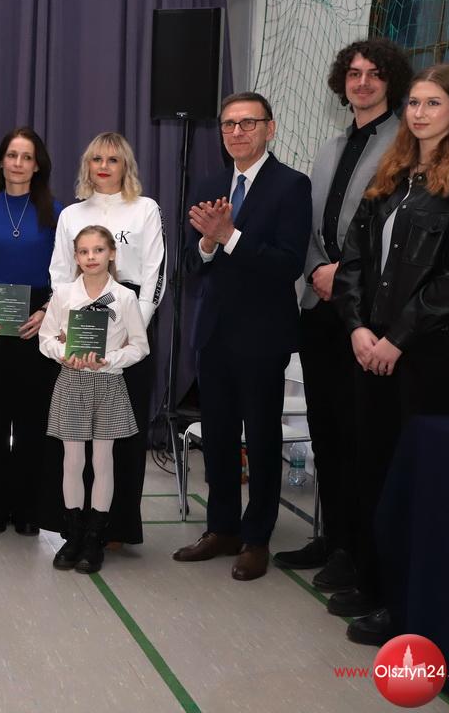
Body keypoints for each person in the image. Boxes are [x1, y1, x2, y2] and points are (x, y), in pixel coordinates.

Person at [331, 63, 449, 645]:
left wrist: (396, 339)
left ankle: (404, 608)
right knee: (372, 468)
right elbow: (353, 259)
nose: (419, 113)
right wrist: (357, 328)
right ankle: (372, 583)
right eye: (415, 103)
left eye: (433, 103)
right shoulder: (393, 174)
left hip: (425, 355)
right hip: (371, 346)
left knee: (413, 479)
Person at [272, 39, 412, 592]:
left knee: (361, 436)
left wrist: (343, 276)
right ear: (342, 81)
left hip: (367, 312)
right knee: (327, 431)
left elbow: (392, 234)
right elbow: (312, 225)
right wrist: (316, 271)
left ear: (390, 82)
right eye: (354, 73)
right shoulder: (330, 147)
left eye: (374, 74)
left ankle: (358, 551)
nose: (363, 82)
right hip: (319, 305)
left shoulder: (405, 144)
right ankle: (332, 538)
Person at [173, 91, 311, 581]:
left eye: (247, 123)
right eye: (229, 124)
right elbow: (190, 262)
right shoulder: (210, 184)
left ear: (269, 129)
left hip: (263, 335)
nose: (236, 132)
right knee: (219, 438)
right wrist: (208, 244)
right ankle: (222, 529)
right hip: (213, 332)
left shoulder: (291, 186)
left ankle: (256, 538)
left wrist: (230, 236)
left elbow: (288, 264)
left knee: (262, 438)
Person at [48, 132, 164, 548]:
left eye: (112, 159)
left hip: (128, 319)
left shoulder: (145, 208)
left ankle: (116, 529)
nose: (103, 166)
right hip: (80, 325)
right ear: (87, 165)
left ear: (125, 165)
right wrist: (67, 327)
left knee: (121, 439)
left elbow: (153, 273)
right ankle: (76, 528)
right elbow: (60, 272)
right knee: (77, 440)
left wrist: (133, 328)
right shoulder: (72, 214)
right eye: (96, 158)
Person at [0, 127, 64, 536]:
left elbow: (65, 273)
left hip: (38, 317)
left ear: (37, 165)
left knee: (32, 419)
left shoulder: (56, 212)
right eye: (12, 155)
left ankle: (27, 508)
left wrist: (46, 312)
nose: (19, 163)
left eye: (27, 157)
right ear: (1, 162)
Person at [41, 226, 149, 573]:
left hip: (109, 384)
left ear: (111, 253)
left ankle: (94, 538)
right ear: (76, 257)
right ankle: (73, 536)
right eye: (84, 251)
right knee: (72, 461)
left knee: (103, 462)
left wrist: (110, 360)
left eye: (98, 250)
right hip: (71, 383)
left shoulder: (125, 297)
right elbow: (45, 338)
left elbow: (140, 346)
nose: (91, 257)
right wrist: (63, 354)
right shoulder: (64, 294)